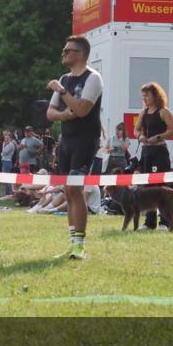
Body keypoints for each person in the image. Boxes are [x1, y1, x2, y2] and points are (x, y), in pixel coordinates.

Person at [46, 34, 103, 259]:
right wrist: (64, 116)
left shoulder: (93, 78)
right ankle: (73, 243)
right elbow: (50, 114)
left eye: (67, 50)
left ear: (79, 54)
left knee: (76, 190)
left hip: (86, 141)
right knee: (68, 191)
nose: (63, 54)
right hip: (66, 141)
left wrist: (61, 91)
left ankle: (80, 245)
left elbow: (81, 110)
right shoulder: (64, 78)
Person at [133, 82, 173, 230]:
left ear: (155, 95)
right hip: (146, 152)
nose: (144, 97)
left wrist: (158, 137)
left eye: (147, 94)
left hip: (159, 152)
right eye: (143, 95)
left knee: (160, 187)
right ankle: (149, 222)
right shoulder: (143, 113)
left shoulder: (164, 111)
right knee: (147, 187)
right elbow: (136, 130)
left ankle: (165, 222)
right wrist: (140, 136)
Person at [0, 131, 17, 196]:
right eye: (5, 138)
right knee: (5, 178)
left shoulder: (10, 144)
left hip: (7, 162)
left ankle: (8, 193)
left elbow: (4, 152)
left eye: (8, 138)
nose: (6, 139)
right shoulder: (5, 144)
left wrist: (4, 145)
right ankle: (8, 193)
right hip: (4, 161)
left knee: (6, 179)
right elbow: (2, 153)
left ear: (10, 138)